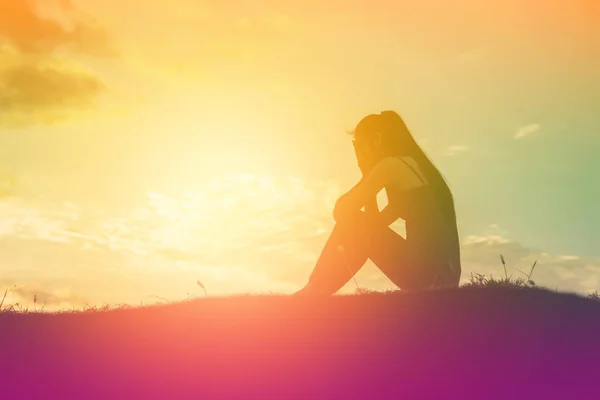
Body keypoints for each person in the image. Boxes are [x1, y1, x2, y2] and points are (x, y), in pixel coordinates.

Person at [296, 110, 461, 295]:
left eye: (358, 143)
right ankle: (315, 289)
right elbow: (374, 228)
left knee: (357, 221)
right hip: (443, 279)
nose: (357, 150)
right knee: (361, 224)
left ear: (376, 140)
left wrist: (367, 174)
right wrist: (369, 183)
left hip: (428, 278)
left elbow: (342, 212)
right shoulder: (417, 170)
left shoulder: (392, 165)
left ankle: (314, 289)